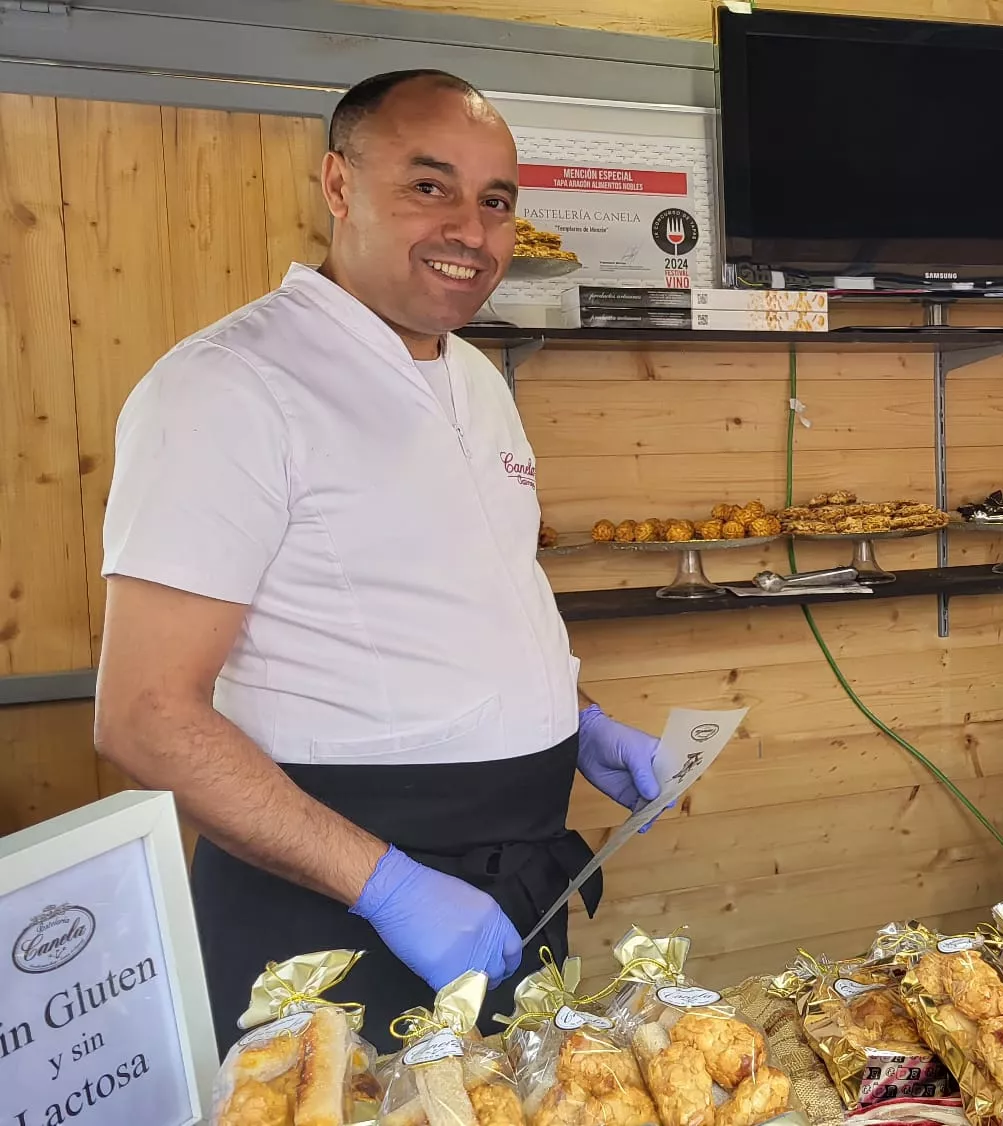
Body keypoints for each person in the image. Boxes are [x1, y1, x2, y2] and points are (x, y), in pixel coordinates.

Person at [92, 70, 666, 1046]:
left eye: (495, 202)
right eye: (428, 186)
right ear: (338, 184)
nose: (471, 230)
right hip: (331, 908)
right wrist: (391, 888)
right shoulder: (227, 387)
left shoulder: (478, 382)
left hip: (512, 887)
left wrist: (582, 723)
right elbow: (144, 717)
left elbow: (457, 606)